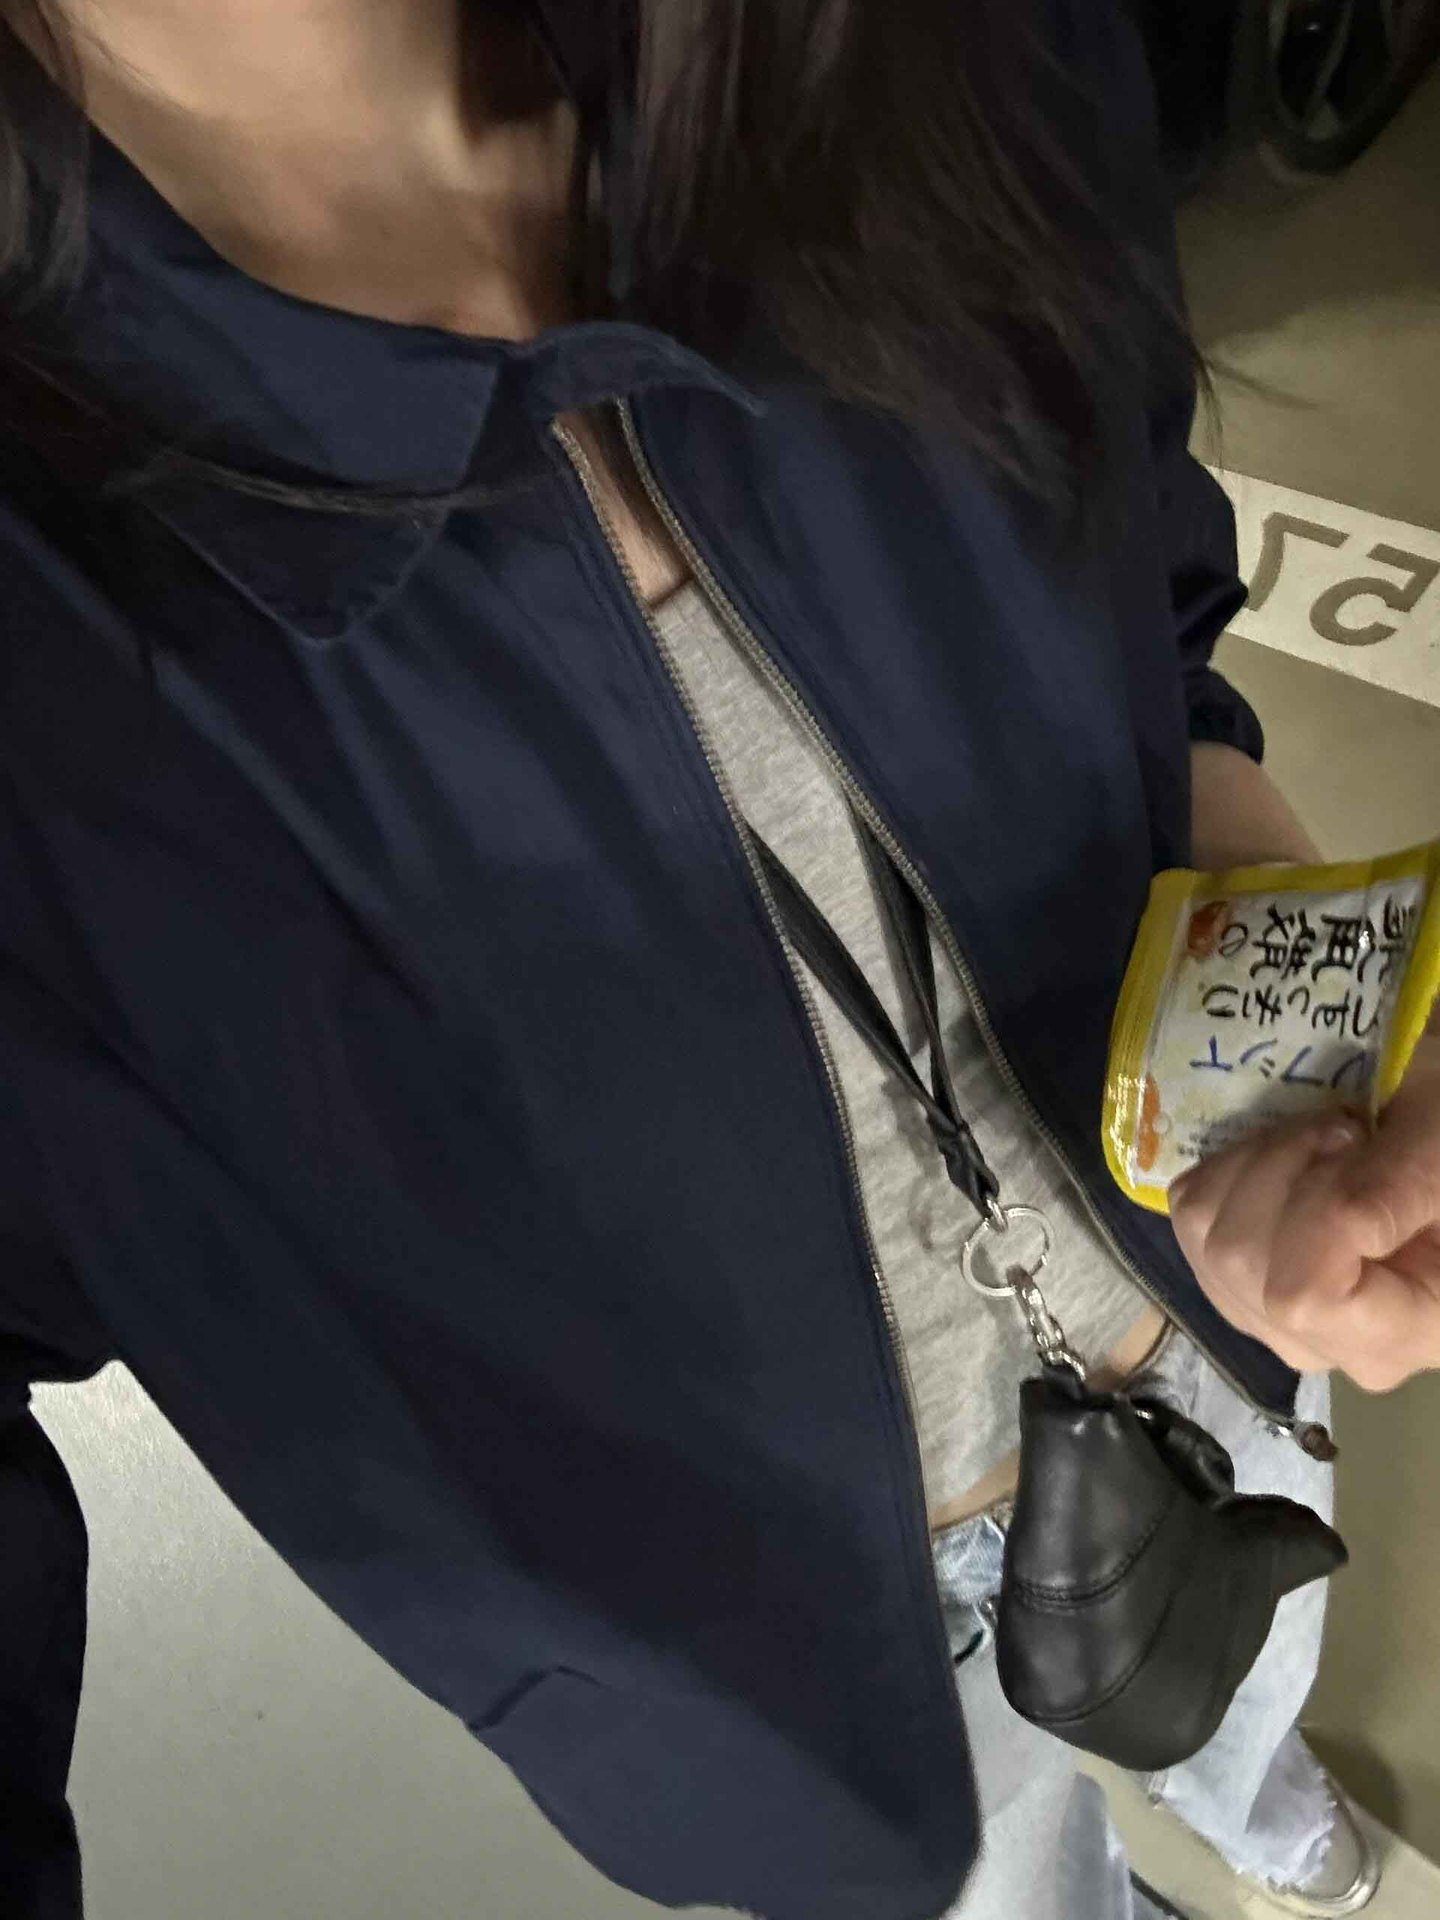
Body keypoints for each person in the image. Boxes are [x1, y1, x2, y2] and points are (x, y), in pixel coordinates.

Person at [2, 2, 1437, 1916]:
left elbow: (1145, 617)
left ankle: (1255, 1805)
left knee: (1254, 1659)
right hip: (805, 1670)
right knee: (1005, 1879)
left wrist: (1319, 1048)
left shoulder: (936, 48)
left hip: (1209, 1324)